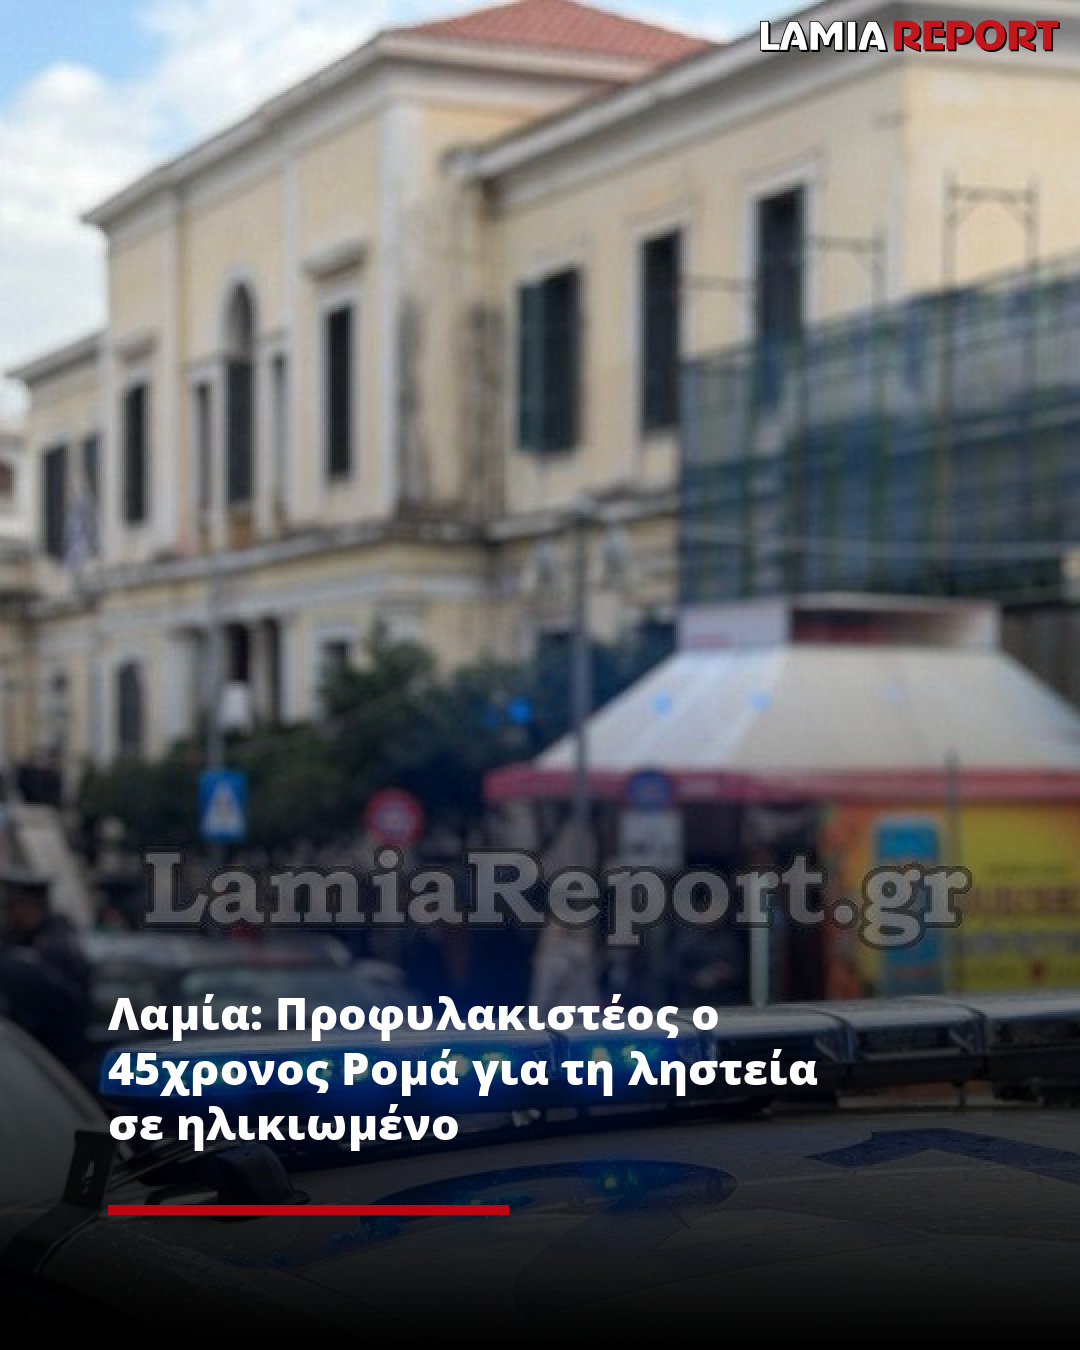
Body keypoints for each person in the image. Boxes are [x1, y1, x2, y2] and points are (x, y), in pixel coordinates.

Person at [0, 868, 90, 1072]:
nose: (11, 913)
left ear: (33, 907)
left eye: (15, 905)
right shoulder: (16, 938)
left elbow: (67, 1000)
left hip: (54, 1055)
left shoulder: (56, 944)